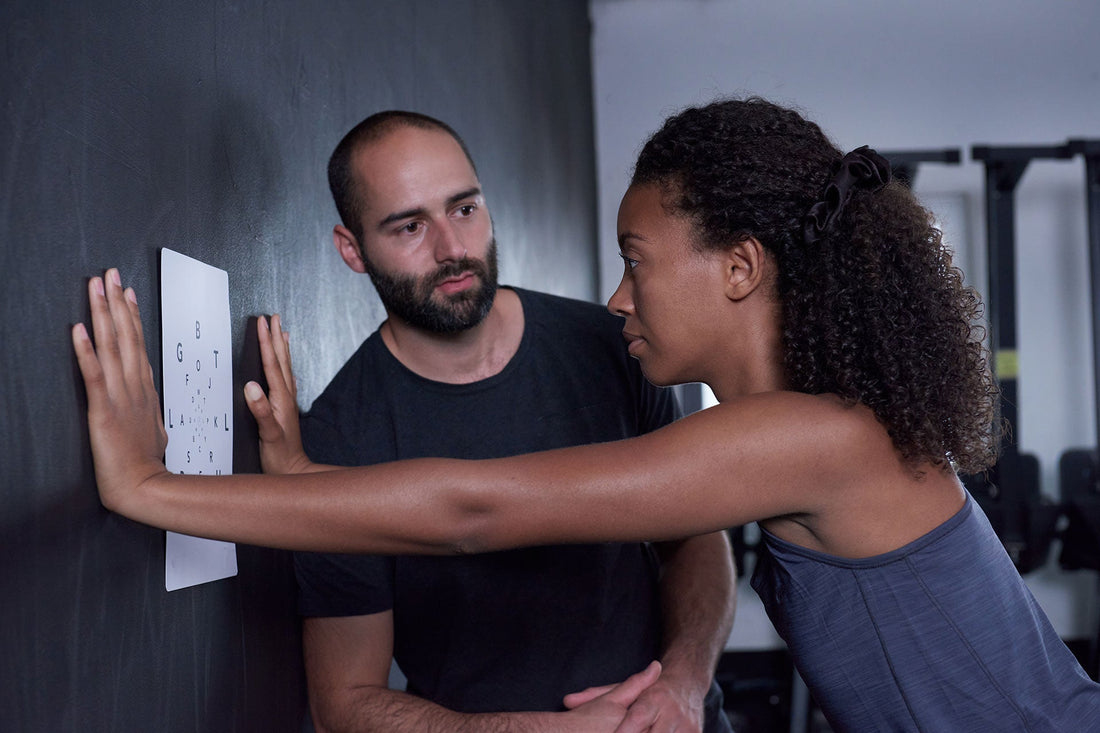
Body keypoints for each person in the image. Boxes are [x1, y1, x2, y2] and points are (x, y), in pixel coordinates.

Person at [73, 97, 1100, 732]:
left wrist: (152, 487)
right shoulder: (804, 429)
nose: (618, 297)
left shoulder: (811, 436)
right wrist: (301, 484)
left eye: (636, 262)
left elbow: (473, 509)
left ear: (738, 269)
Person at [287, 111, 735, 732]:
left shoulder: (614, 345)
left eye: (464, 209)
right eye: (410, 226)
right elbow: (344, 702)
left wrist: (685, 683)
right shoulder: (340, 439)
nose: (452, 250)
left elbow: (696, 537)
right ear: (352, 249)